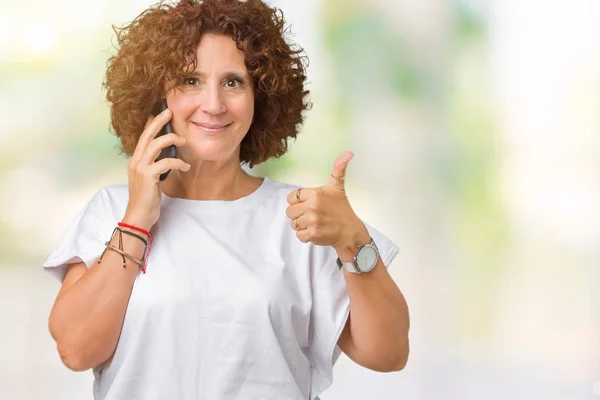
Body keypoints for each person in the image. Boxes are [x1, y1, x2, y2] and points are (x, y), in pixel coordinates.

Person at [42, 0, 410, 399]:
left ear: (260, 97)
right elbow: (76, 350)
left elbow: (387, 353)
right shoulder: (111, 211)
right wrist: (136, 221)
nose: (213, 104)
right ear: (158, 96)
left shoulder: (302, 218)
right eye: (190, 80)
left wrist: (353, 239)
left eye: (233, 82)